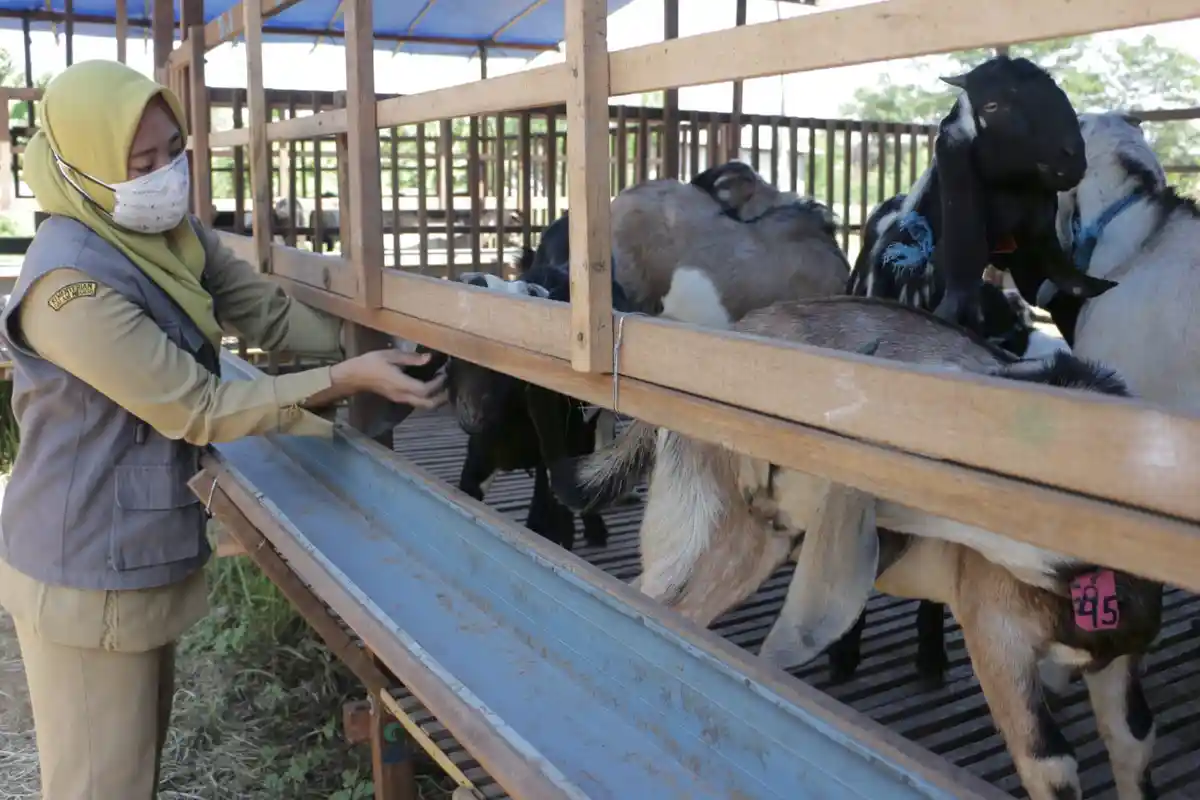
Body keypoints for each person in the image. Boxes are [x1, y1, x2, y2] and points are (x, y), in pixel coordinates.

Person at [0, 59, 447, 799]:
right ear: (82, 164)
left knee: (132, 769)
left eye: (172, 148)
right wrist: (344, 382)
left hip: (133, 549)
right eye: (139, 162)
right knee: (97, 785)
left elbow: (267, 315)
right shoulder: (67, 287)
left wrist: (384, 347)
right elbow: (195, 406)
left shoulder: (168, 234)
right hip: (84, 562)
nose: (164, 174)